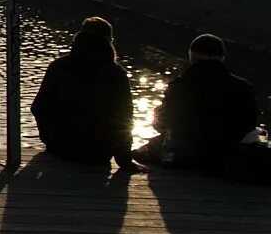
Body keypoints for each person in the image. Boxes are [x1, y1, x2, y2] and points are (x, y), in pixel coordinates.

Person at [30, 17, 143, 172]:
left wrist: (48, 138)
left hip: (61, 147)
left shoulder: (58, 67)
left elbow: (38, 107)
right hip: (99, 153)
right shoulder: (115, 74)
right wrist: (124, 160)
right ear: (109, 41)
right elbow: (124, 118)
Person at [138, 34, 259, 173]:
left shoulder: (179, 86)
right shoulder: (244, 87)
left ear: (191, 55)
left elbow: (162, 123)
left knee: (143, 150)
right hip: (226, 156)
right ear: (223, 57)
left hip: (185, 154)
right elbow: (249, 125)